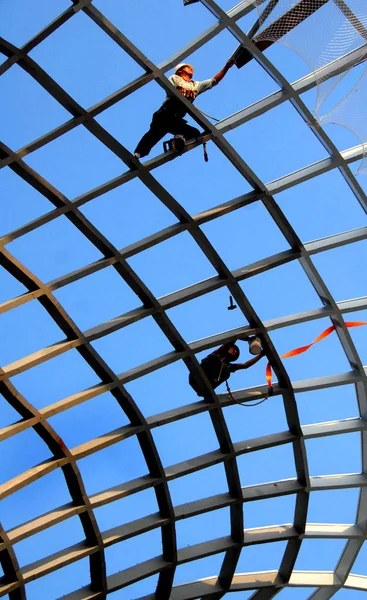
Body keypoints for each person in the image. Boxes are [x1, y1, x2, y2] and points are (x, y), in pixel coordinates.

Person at [134, 60, 234, 159]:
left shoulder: (195, 85)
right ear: (180, 71)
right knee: (154, 134)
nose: (191, 69)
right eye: (188, 67)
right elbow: (170, 89)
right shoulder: (175, 78)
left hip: (176, 118)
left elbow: (213, 81)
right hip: (166, 112)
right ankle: (138, 153)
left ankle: (176, 143)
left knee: (194, 133)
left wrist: (226, 67)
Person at [189, 341, 265, 397]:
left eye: (235, 352)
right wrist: (239, 337)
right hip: (196, 376)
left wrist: (261, 355)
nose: (233, 351)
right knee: (214, 358)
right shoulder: (217, 354)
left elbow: (245, 365)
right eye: (232, 349)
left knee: (227, 372)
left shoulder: (228, 366)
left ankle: (208, 386)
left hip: (207, 384)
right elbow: (225, 345)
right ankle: (207, 382)